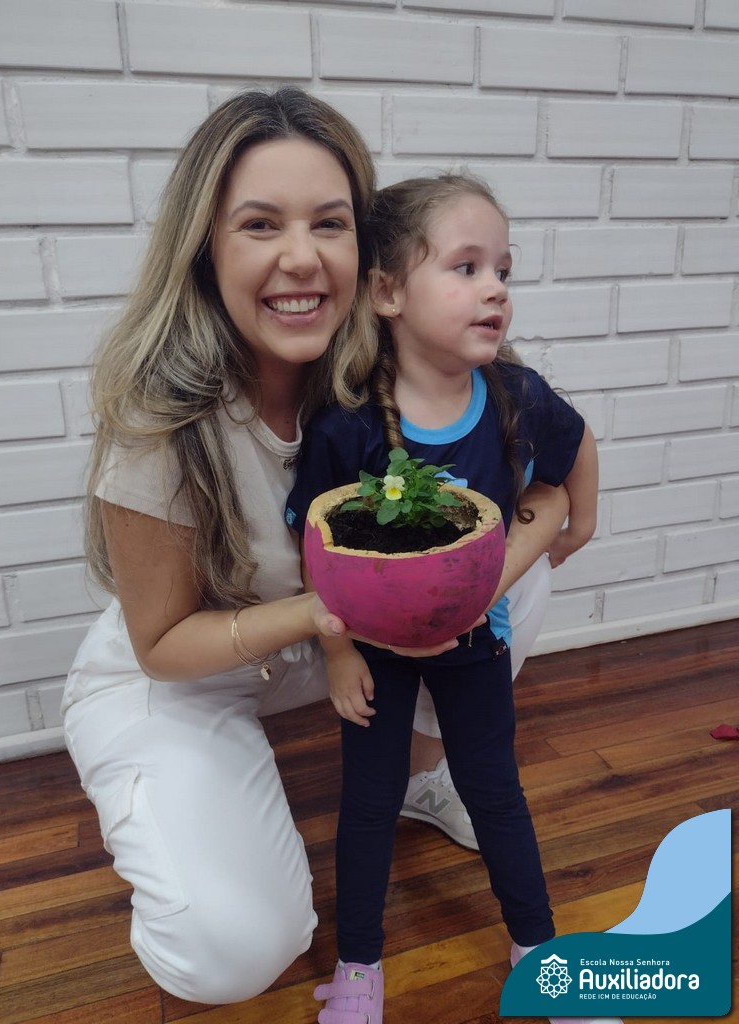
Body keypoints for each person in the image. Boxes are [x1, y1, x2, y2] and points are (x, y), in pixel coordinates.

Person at [61, 89, 567, 1007]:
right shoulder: (162, 420)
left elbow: (542, 449)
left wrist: (558, 506)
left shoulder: (395, 367)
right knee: (234, 953)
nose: (302, 256)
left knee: (496, 569)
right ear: (205, 248)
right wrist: (328, 618)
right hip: (193, 660)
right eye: (260, 224)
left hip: (335, 639)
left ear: (370, 259)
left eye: (329, 223)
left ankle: (421, 775)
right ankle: (168, 808)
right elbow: (162, 643)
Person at [285, 173, 601, 1024]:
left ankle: (540, 955)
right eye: (466, 268)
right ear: (387, 292)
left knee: (497, 793)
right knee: (368, 803)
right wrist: (338, 650)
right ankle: (359, 968)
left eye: (503, 269)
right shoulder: (347, 425)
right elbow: (316, 546)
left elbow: (575, 442)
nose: (495, 288)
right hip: (374, 656)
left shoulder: (515, 395)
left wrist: (583, 521)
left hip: (477, 648)